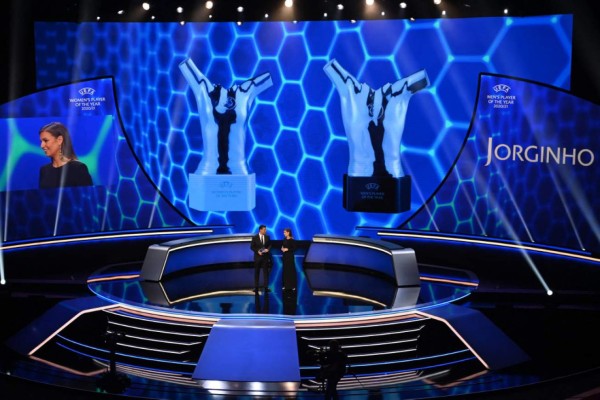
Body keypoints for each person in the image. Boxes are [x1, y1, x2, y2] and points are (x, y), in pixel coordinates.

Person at [38, 121, 93, 189]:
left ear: (59, 140)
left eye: (45, 140)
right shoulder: (44, 170)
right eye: (41, 141)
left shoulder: (78, 168)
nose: (42, 145)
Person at [250, 225, 271, 292]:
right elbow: (252, 247)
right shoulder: (255, 237)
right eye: (264, 229)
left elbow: (270, 245)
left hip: (265, 257)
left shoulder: (267, 237)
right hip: (258, 257)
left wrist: (268, 249)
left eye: (265, 229)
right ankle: (256, 287)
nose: (265, 230)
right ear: (260, 230)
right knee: (257, 272)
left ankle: (266, 287)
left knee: (265, 272)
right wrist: (257, 251)